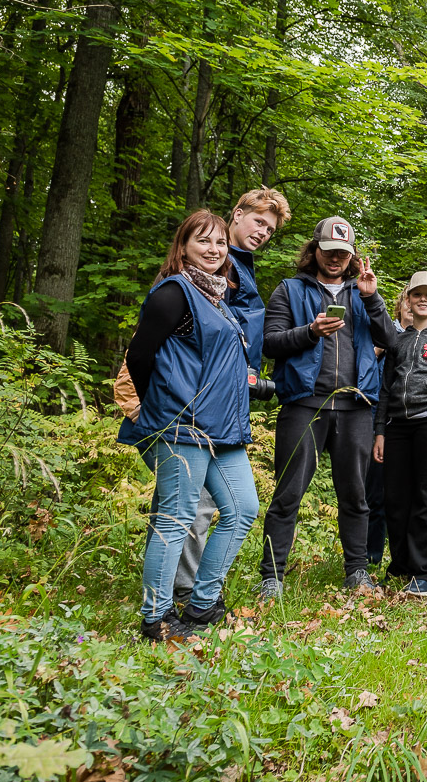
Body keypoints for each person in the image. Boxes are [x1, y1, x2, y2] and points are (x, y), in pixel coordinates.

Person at [119, 210, 258, 642]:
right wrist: (155, 410)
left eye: (219, 243)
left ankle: (202, 604)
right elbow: (139, 355)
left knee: (242, 509)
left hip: (222, 429)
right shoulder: (174, 293)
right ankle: (156, 617)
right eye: (203, 242)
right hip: (182, 426)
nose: (214, 250)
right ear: (183, 247)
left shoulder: (215, 298)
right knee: (176, 517)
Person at [258, 217, 393, 598]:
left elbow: (392, 342)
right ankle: (272, 576)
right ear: (314, 250)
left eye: (342, 253)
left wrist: (373, 298)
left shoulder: (361, 294)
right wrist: (310, 332)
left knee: (355, 494)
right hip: (304, 403)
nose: (335, 258)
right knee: (287, 493)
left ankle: (357, 571)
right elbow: (269, 343)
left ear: (351, 256)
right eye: (329, 251)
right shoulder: (289, 290)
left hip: (355, 406)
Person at [172, 188, 290, 611]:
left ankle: (197, 589)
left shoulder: (242, 268)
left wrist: (251, 375)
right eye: (258, 221)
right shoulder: (218, 267)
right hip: (204, 397)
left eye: (270, 229)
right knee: (198, 503)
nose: (263, 232)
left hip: (230, 396)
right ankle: (184, 591)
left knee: (222, 503)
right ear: (236, 215)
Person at [373, 272, 427, 596]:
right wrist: (379, 431)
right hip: (397, 424)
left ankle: (423, 571)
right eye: (416, 294)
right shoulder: (398, 341)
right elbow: (385, 389)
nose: (422, 299)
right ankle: (400, 566)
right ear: (408, 300)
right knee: (395, 498)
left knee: (425, 497)